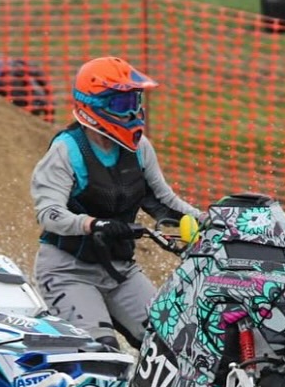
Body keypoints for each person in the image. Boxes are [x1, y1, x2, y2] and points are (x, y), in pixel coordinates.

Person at [30, 56, 202, 351]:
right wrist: (92, 224)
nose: (134, 112)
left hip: (119, 271)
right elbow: (49, 214)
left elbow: (165, 202)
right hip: (66, 272)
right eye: (123, 105)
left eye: (135, 101)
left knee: (172, 343)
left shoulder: (139, 149)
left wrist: (215, 220)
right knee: (101, 352)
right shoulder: (66, 150)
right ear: (93, 106)